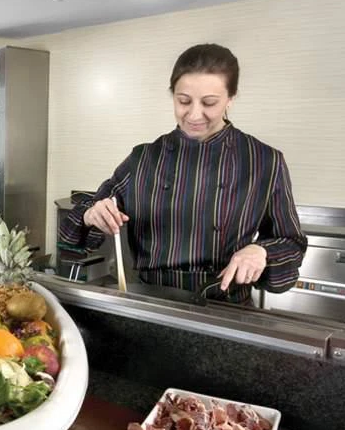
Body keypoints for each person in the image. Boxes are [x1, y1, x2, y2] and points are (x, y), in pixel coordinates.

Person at [59, 43, 306, 304]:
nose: (194, 114)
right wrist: (90, 215)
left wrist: (261, 251)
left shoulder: (264, 161)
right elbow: (73, 231)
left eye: (209, 102)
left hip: (226, 309)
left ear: (230, 98)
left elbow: (290, 242)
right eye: (184, 101)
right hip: (151, 305)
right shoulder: (143, 158)